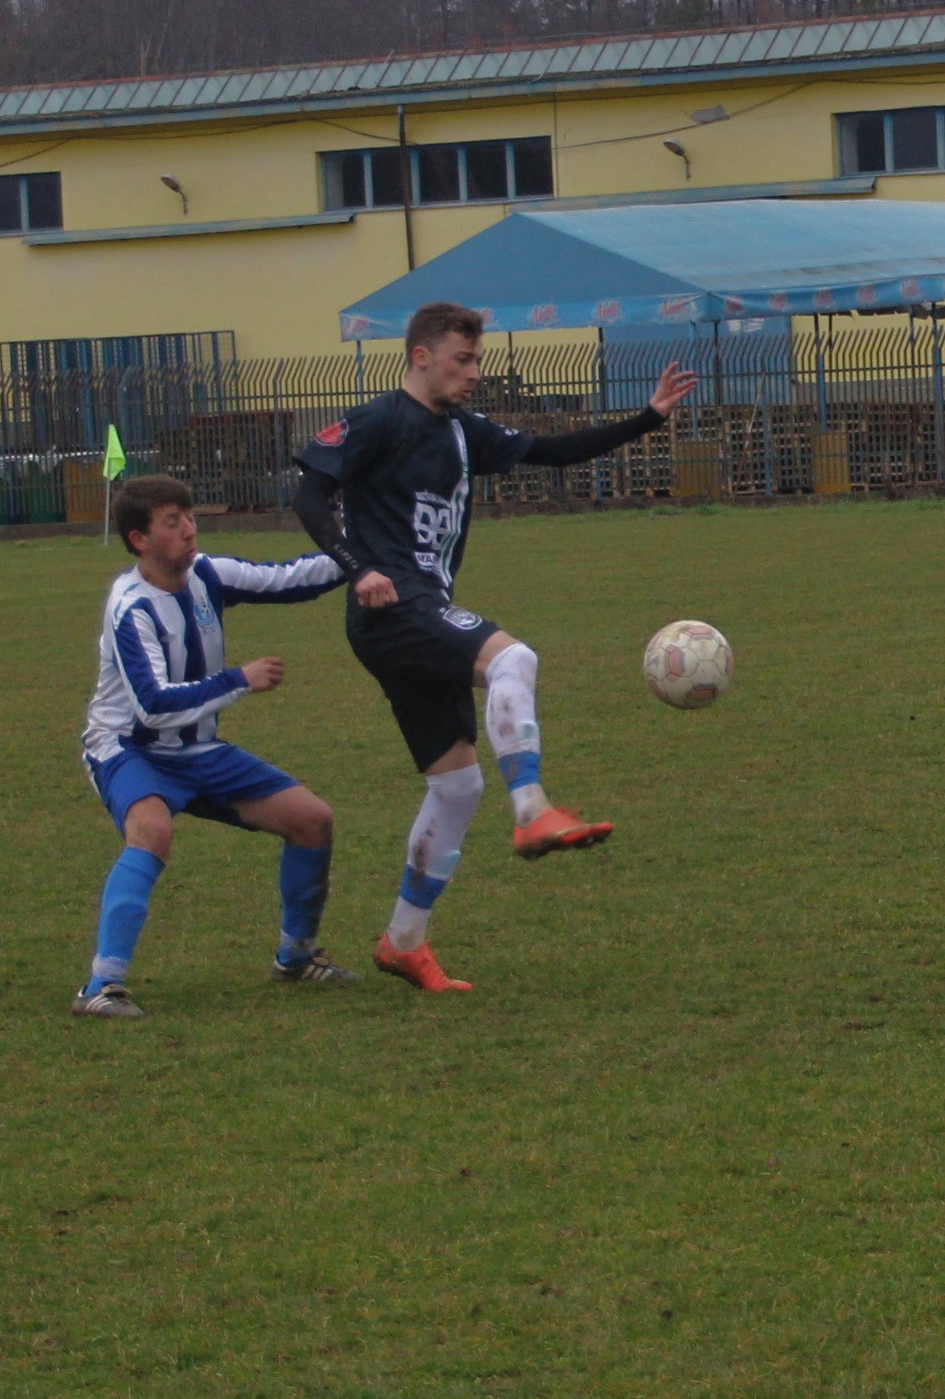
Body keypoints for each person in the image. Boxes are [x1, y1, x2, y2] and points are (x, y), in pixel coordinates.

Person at [293, 301, 697, 994]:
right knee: (514, 658)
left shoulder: (462, 430)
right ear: (421, 356)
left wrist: (648, 417)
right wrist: (358, 568)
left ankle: (402, 942)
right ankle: (532, 809)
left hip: (421, 609)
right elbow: (309, 492)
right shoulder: (379, 419)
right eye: (463, 359)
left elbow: (553, 450)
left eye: (477, 359)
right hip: (393, 608)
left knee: (457, 786)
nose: (475, 372)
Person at [74, 475, 353, 1019]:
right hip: (129, 749)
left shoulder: (206, 573)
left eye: (189, 516)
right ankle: (101, 987)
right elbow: (153, 705)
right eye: (171, 522)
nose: (188, 529)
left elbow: (291, 579)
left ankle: (296, 957)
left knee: (312, 820)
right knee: (152, 831)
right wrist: (239, 680)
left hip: (198, 750)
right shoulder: (132, 607)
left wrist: (360, 554)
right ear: (139, 540)